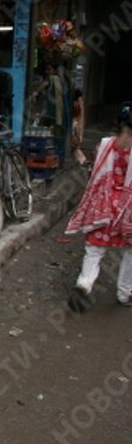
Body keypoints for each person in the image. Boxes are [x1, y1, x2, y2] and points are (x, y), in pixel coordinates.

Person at [65, 102, 132, 312]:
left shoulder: (105, 145)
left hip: (102, 208)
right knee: (130, 251)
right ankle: (124, 293)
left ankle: (83, 285)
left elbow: (97, 171)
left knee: (94, 250)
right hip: (126, 210)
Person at [71, 89, 87, 165]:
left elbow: (80, 115)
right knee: (76, 145)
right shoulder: (79, 102)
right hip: (76, 122)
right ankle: (81, 160)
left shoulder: (77, 102)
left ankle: (82, 160)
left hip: (75, 122)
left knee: (76, 146)